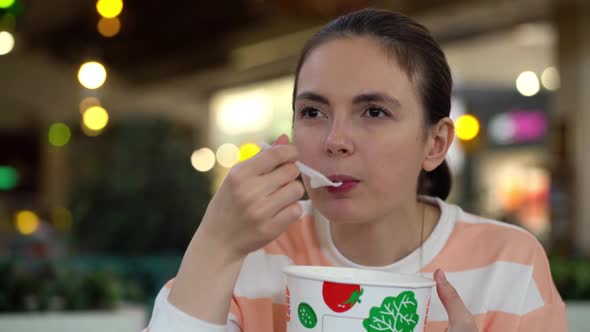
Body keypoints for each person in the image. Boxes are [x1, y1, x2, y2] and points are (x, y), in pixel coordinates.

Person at [145, 8, 567, 332]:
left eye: (374, 111)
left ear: (435, 143)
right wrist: (215, 244)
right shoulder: (254, 252)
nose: (335, 140)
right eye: (312, 111)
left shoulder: (508, 263)